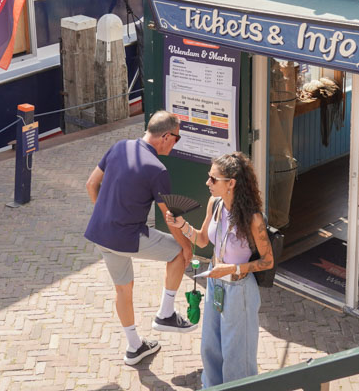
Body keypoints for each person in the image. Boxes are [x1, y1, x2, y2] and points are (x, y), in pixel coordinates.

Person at [85, 110, 197, 366]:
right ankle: (165, 314)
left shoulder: (119, 147)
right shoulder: (157, 169)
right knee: (178, 253)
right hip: (128, 236)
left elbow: (91, 184)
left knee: (123, 289)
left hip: (101, 233)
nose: (176, 144)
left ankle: (134, 347)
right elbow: (169, 218)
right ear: (166, 137)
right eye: (177, 139)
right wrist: (187, 246)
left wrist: (106, 217)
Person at [167, 152, 273, 387]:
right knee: (211, 347)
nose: (207, 183)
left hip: (239, 290)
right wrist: (182, 225)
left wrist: (232, 267)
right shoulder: (214, 205)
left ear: (231, 183)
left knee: (237, 357)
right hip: (216, 284)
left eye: (213, 179)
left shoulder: (253, 219)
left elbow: (267, 261)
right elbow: (203, 240)